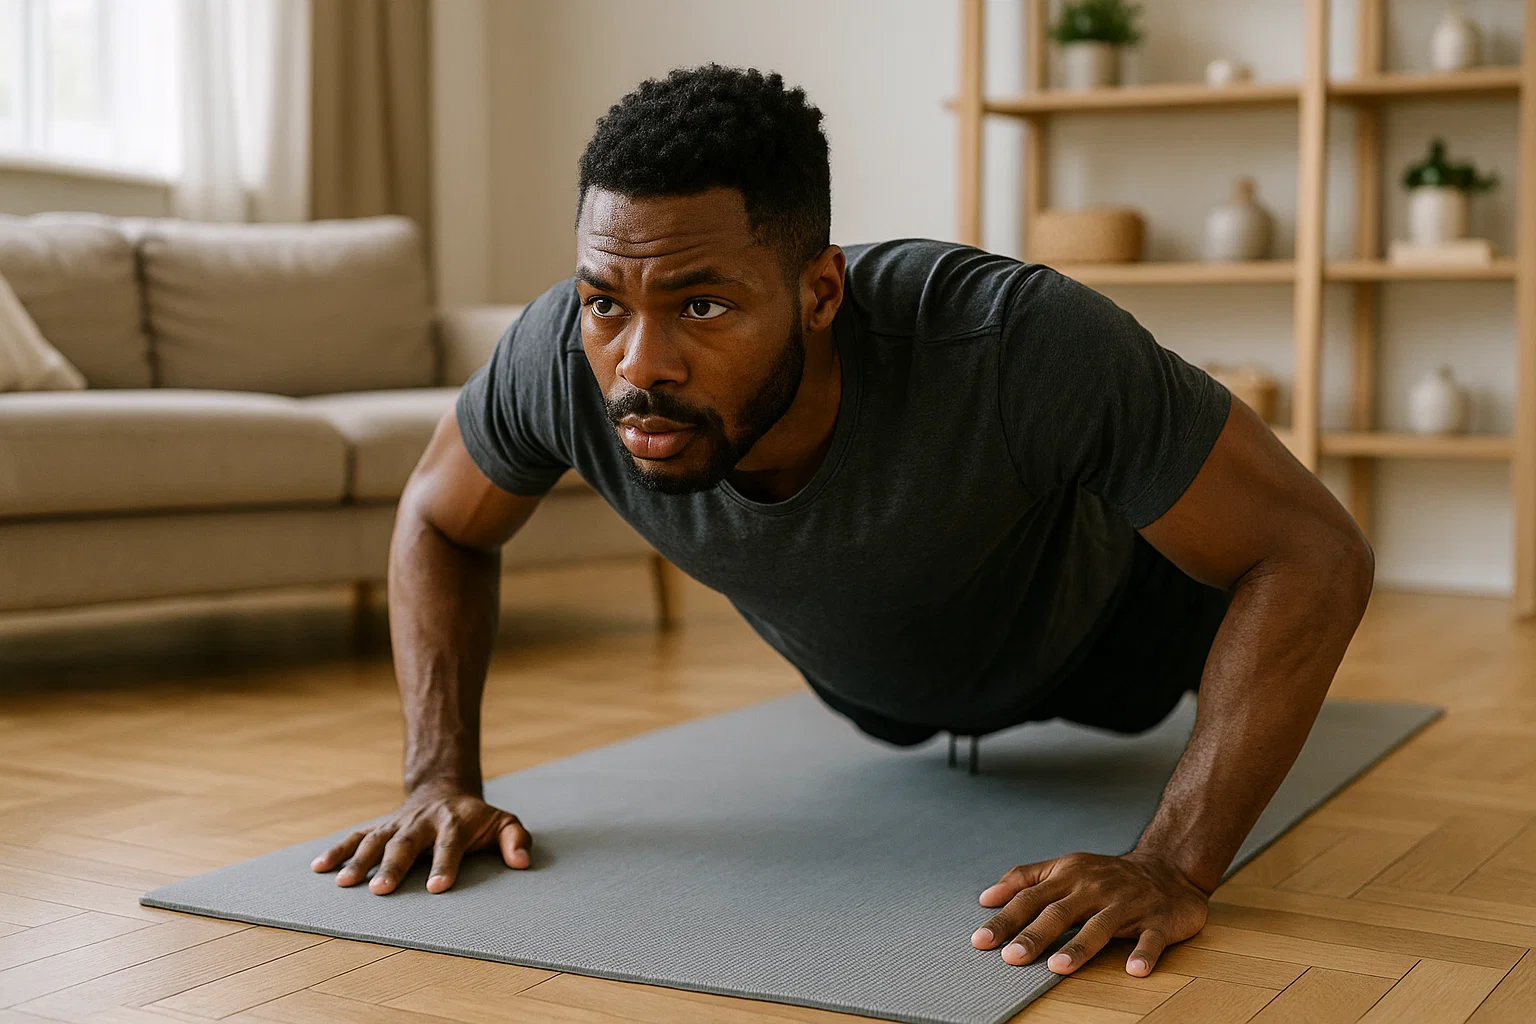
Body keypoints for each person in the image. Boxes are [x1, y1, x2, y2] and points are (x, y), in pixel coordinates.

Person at [310, 65, 1373, 979]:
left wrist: (1174, 864)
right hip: (878, 689)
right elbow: (439, 519)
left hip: (1112, 639)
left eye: (701, 306)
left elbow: (1315, 551)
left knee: (1244, 532)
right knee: (895, 704)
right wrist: (437, 779)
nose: (639, 364)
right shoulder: (555, 357)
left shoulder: (1010, 340)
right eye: (607, 304)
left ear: (822, 292)